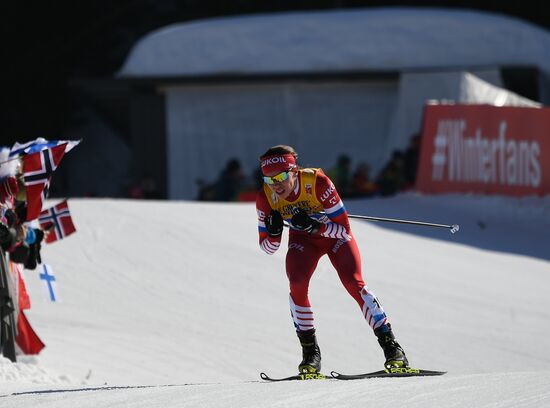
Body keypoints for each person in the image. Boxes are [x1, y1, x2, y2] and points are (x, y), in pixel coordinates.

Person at [255, 145, 408, 374]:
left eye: (281, 177)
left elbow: (344, 230)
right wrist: (275, 232)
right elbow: (268, 248)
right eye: (269, 180)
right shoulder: (266, 198)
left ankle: (393, 349)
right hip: (304, 240)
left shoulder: (318, 183)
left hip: (332, 237)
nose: (276, 185)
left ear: (294, 171)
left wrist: (316, 227)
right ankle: (310, 355)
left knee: (353, 283)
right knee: (296, 283)